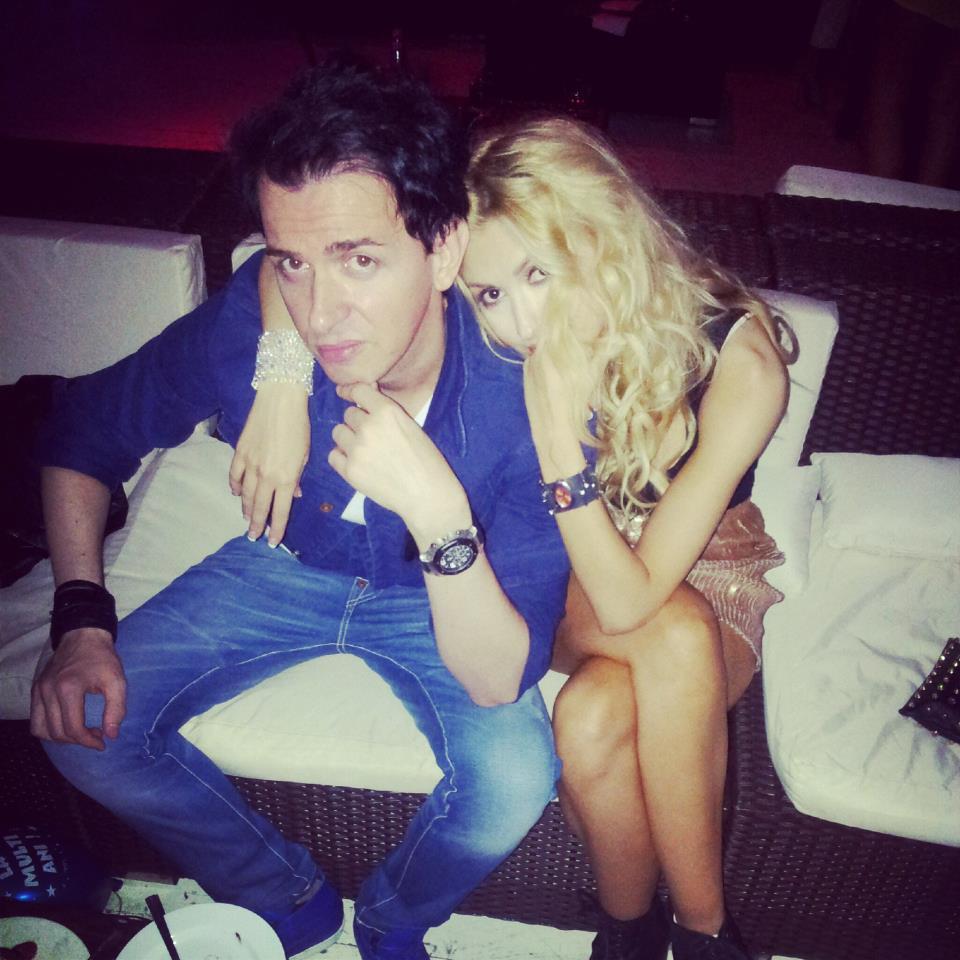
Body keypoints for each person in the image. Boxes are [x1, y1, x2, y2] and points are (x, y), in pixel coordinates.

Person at [29, 63, 570, 960]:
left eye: (361, 260)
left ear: (444, 250)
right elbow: (80, 434)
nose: (321, 314)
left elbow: (495, 678)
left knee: (514, 780)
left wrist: (439, 515)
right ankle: (285, 899)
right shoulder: (263, 331)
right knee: (82, 730)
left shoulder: (528, 395)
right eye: (293, 263)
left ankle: (395, 920)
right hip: (280, 561)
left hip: (439, 595)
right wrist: (81, 619)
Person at [238, 116, 790, 960]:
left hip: (704, 571)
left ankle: (639, 933)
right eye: (491, 294)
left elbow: (632, 598)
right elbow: (286, 265)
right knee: (667, 635)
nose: (522, 322)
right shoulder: (510, 330)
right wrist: (279, 384)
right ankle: (711, 939)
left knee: (596, 714)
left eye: (539, 274)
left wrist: (557, 435)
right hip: (563, 570)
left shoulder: (740, 362)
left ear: (604, 233)